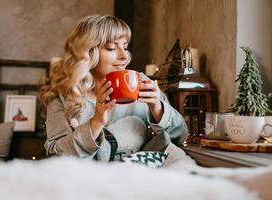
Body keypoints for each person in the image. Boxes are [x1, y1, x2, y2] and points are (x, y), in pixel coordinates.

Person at [40, 14, 188, 162]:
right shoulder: (62, 94)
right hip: (83, 182)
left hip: (135, 179)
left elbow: (182, 137)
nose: (124, 56)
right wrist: (96, 122)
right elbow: (56, 157)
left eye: (125, 47)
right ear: (88, 53)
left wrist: (157, 108)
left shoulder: (142, 84)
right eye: (111, 48)